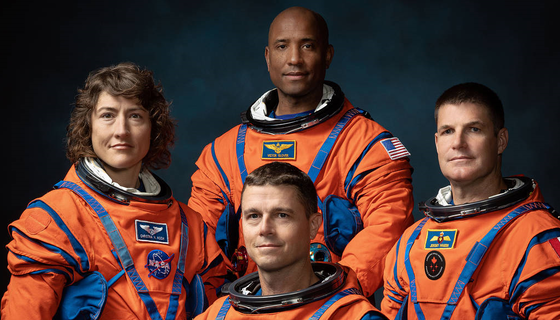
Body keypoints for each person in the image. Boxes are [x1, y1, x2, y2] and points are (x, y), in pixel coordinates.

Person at [189, 6, 414, 300]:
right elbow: (198, 239)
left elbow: (388, 227)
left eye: (307, 45)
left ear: (328, 55)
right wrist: (219, 305)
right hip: (244, 306)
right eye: (283, 46)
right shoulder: (223, 152)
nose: (294, 59)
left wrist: (333, 296)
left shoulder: (366, 143)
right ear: (268, 57)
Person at [1, 62, 221, 319]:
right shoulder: (56, 219)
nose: (122, 131)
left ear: (154, 129)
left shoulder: (190, 226)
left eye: (135, 115)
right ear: (88, 127)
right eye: (107, 115)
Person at [381, 82, 560, 319]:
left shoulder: (536, 238)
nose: (458, 143)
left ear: (500, 140)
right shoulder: (410, 243)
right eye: (448, 131)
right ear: (437, 143)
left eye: (474, 129)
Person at [195, 162, 387, 319]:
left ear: (313, 225)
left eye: (281, 215)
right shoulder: (216, 315)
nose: (265, 229)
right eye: (254, 216)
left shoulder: (352, 316)